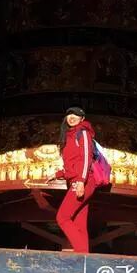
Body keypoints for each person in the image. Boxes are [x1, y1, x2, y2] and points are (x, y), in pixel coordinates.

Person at [48, 106, 97, 253]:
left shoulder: (83, 132)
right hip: (77, 180)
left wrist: (81, 181)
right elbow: (72, 165)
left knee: (62, 218)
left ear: (82, 119)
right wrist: (57, 174)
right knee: (79, 224)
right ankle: (84, 256)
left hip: (83, 181)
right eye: (69, 114)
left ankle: (81, 253)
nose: (72, 117)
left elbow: (86, 158)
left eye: (76, 115)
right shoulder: (69, 135)